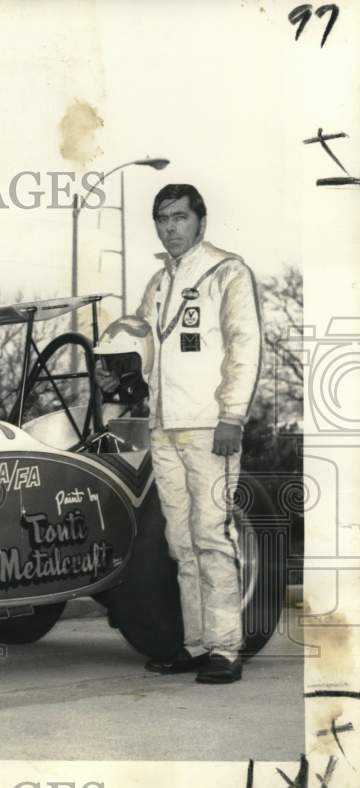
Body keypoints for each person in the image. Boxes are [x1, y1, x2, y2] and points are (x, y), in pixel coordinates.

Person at [135, 183, 262, 684]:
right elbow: (144, 348)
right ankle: (194, 644)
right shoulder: (158, 283)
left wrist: (232, 415)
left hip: (211, 426)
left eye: (179, 218)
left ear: (200, 221)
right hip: (164, 427)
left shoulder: (227, 271)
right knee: (179, 542)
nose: (170, 228)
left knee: (212, 536)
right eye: (162, 219)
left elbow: (244, 345)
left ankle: (226, 650)